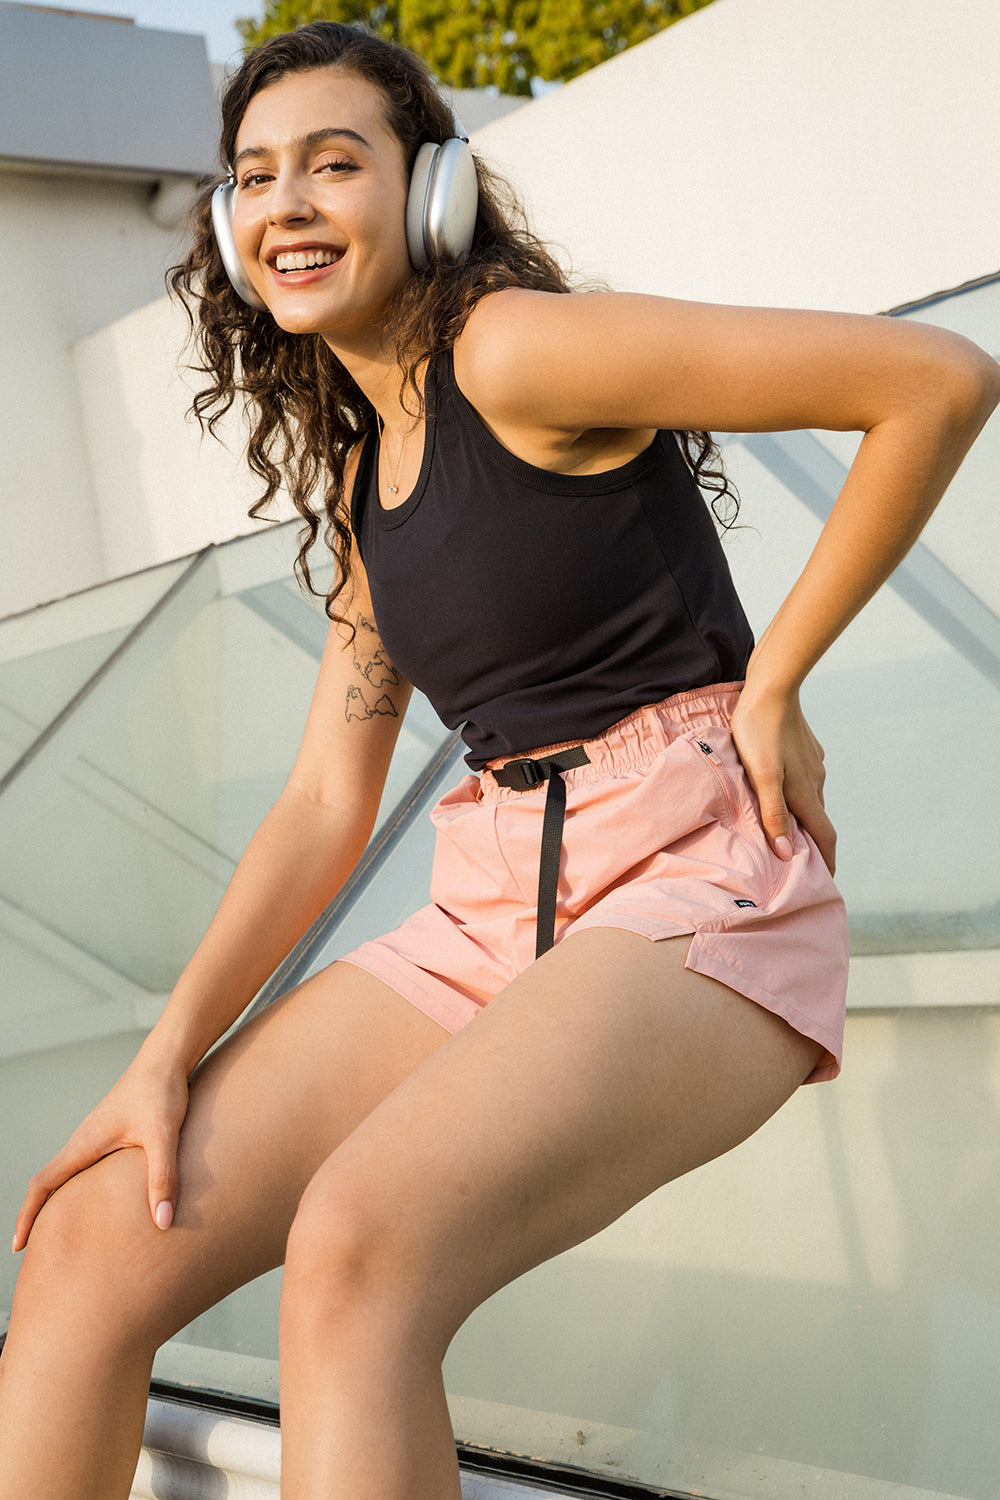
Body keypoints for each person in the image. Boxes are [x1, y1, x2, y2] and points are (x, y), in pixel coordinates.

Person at [1, 20, 997, 1500]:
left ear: (432, 190)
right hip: (490, 905)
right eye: (254, 177)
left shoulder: (515, 346)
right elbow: (324, 800)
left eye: (333, 163)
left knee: (359, 1245)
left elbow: (935, 378)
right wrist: (163, 1062)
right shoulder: (366, 474)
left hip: (694, 886)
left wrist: (776, 678)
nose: (287, 203)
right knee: (89, 1237)